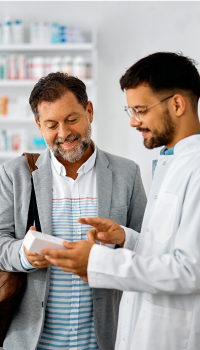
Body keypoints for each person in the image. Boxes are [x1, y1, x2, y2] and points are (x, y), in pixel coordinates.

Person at [42, 53, 200, 350]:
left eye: (140, 109)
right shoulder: (171, 161)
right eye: (131, 110)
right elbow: (167, 249)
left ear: (177, 104)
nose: (132, 121)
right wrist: (126, 237)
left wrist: (97, 260)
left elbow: (191, 270)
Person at [0, 72, 146, 350]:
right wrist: (24, 255)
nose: (64, 133)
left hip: (104, 338)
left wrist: (121, 238)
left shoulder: (127, 173)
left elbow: (146, 246)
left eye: (71, 119)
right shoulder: (14, 174)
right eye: (51, 124)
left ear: (89, 111)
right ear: (38, 125)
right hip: (33, 341)